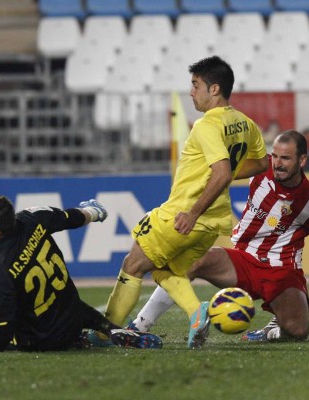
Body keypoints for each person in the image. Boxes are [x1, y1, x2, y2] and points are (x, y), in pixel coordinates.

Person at [89, 55, 270, 349]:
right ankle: (196, 312)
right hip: (213, 223)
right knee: (166, 271)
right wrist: (218, 178)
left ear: (214, 89)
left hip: (184, 214)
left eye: (196, 84)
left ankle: (101, 334)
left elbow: (223, 172)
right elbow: (262, 163)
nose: (191, 91)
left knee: (133, 264)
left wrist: (194, 210)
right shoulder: (245, 123)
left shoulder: (206, 125)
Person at [129, 130, 309, 343]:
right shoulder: (260, 168)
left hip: (282, 272)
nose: (278, 163)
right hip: (243, 260)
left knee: (298, 331)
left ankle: (272, 330)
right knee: (193, 262)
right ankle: (140, 325)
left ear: (302, 160)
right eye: (275, 156)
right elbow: (220, 172)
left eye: (286, 158)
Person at [0, 194, 163, 353]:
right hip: (73, 314)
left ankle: (87, 337)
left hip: (43, 339)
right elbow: (71, 217)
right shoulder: (33, 218)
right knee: (65, 305)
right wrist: (94, 212)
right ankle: (107, 330)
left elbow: (4, 332)